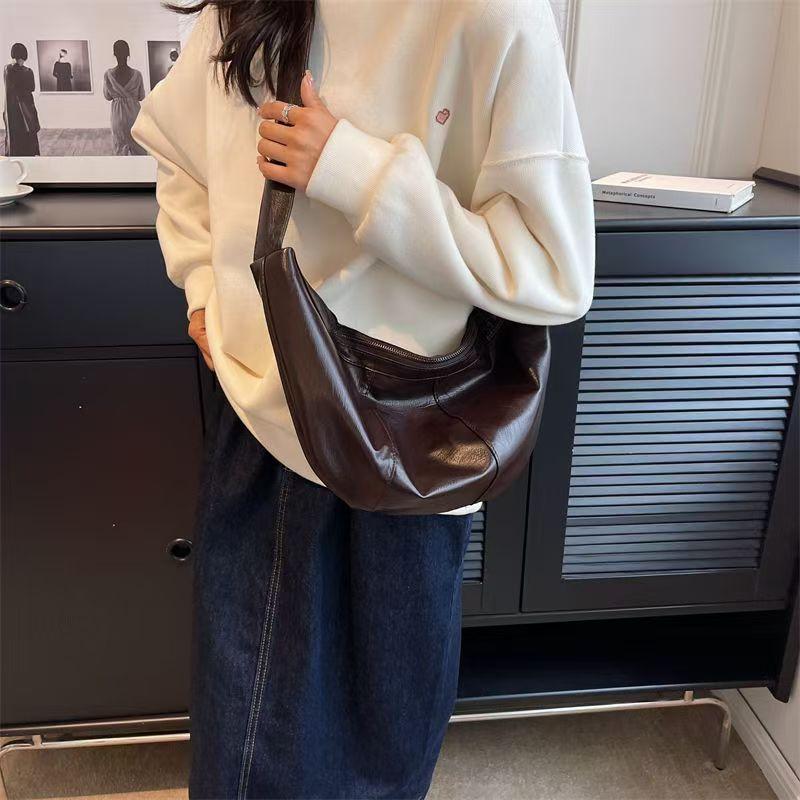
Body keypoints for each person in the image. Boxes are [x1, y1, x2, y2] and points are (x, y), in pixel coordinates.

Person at [131, 1, 596, 797]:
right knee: (248, 751)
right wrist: (202, 285)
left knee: (386, 750)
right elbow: (181, 154)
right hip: (263, 423)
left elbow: (554, 269)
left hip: (411, 438)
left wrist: (354, 172)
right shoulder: (243, 9)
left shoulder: (493, 16)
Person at [103, 40, 146, 156]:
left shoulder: (108, 75)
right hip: (134, 115)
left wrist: (118, 95)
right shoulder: (137, 74)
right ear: (128, 54)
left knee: (119, 149)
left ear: (114, 54)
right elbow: (141, 96)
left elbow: (107, 96)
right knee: (139, 148)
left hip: (117, 116)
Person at [3, 43, 39, 156]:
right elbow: (32, 88)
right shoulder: (28, 71)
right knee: (28, 133)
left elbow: (11, 86)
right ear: (24, 56)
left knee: (14, 134)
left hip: (11, 108)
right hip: (26, 106)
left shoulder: (7, 69)